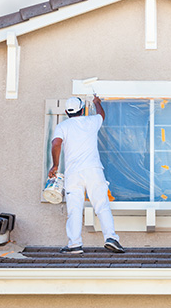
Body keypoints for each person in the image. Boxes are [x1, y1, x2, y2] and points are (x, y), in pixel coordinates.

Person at [48, 95, 124, 254]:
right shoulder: (91, 122)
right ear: (82, 110)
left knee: (74, 209)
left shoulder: (63, 126)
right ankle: (111, 238)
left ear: (66, 112)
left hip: (73, 174)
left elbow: (56, 143)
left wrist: (55, 165)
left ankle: (74, 245)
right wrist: (97, 102)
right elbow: (101, 115)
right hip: (93, 170)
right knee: (102, 205)